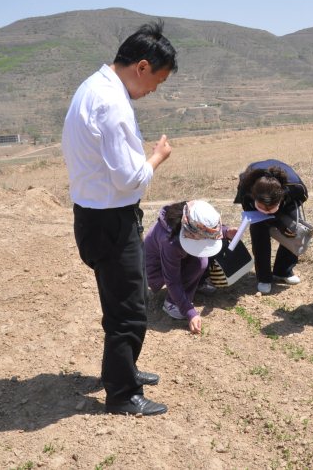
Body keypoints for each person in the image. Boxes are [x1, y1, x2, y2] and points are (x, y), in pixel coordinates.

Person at [62, 21, 177, 416]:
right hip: (112, 220)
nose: (153, 90)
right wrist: (156, 158)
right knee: (130, 309)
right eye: (156, 81)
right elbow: (129, 178)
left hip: (92, 215)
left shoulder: (93, 87)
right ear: (142, 67)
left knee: (117, 303)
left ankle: (121, 369)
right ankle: (123, 394)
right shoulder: (111, 103)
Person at [144, 200, 236, 334]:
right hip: (156, 268)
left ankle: (193, 286)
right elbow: (172, 280)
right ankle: (171, 304)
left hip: (177, 256)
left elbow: (205, 230)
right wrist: (189, 312)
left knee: (201, 261)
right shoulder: (169, 241)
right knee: (198, 263)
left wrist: (226, 231)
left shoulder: (190, 218)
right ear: (191, 233)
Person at [234, 159, 308, 294]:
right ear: (253, 196)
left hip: (287, 202)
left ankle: (283, 271)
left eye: (270, 208)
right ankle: (264, 278)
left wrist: (281, 220)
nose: (266, 211)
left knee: (293, 230)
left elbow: (300, 200)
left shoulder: (295, 187)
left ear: (281, 198)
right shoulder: (246, 186)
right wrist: (273, 219)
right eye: (262, 207)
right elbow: (247, 206)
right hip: (257, 199)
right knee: (259, 234)